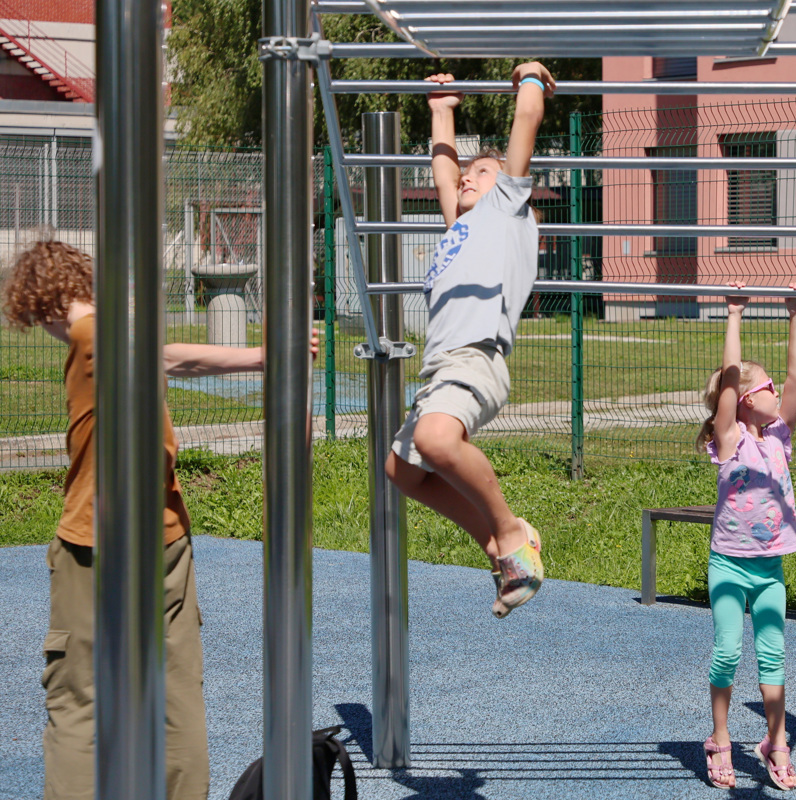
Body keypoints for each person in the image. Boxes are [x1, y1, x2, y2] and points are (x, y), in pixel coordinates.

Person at [1, 239, 318, 800]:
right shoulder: (122, 339)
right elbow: (171, 356)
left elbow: (167, 357)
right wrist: (263, 358)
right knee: (175, 694)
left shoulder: (88, 335)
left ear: (41, 300)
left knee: (78, 699)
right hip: (166, 538)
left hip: (96, 544)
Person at [384, 63, 554, 619]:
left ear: (505, 184)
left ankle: (510, 533)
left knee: (435, 442)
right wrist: (441, 110)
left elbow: (523, 127)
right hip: (442, 368)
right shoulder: (458, 224)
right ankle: (495, 543)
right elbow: (442, 172)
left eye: (480, 172)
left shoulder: (505, 209)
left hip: (478, 355)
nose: (466, 179)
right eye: (467, 174)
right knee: (401, 470)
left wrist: (531, 83)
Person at [694, 281, 796, 791]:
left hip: (769, 566)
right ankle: (720, 738)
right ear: (741, 400)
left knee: (773, 654)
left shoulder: (779, 437)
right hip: (729, 563)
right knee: (726, 652)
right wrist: (734, 314)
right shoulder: (731, 438)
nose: (775, 394)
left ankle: (774, 741)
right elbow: (730, 382)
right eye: (763, 390)